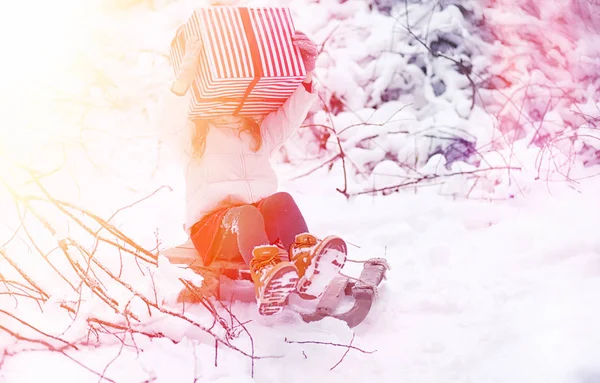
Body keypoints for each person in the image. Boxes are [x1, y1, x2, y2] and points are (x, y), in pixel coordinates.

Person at [157, 30, 347, 316]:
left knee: (280, 201)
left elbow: (288, 117)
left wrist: (306, 77)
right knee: (246, 214)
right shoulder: (195, 137)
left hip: (256, 226)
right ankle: (267, 274)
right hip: (212, 229)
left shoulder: (255, 132)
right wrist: (183, 82)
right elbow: (166, 123)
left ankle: (307, 266)